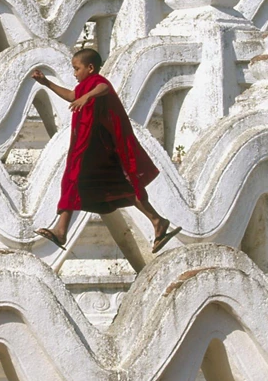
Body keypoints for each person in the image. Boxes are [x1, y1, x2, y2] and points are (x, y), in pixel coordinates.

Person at [32, 49, 180, 253]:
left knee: (82, 180)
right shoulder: (83, 87)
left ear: (90, 68)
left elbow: (104, 88)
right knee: (97, 184)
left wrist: (87, 98)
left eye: (77, 68)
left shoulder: (97, 83)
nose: (74, 73)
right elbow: (71, 95)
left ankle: (61, 231)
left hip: (101, 148)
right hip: (92, 148)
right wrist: (46, 83)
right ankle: (157, 220)